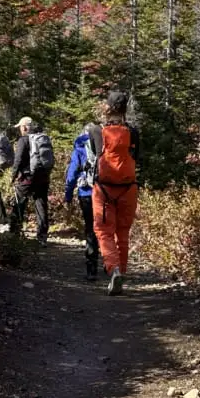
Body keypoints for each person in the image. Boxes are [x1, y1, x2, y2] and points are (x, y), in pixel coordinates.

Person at [92, 92, 139, 296]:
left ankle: (114, 269)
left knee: (104, 231)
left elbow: (95, 155)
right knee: (123, 232)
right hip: (129, 188)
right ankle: (122, 272)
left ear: (107, 108)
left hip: (104, 189)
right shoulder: (133, 132)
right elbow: (137, 156)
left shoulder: (97, 131)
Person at [9, 116, 55, 245]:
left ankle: (14, 233)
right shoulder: (43, 138)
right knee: (41, 204)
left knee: (19, 202)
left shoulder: (24, 140)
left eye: (20, 127)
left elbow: (17, 160)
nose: (20, 130)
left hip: (28, 177)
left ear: (24, 127)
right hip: (43, 176)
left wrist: (13, 177)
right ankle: (42, 236)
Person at [64, 125, 101, 280]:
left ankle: (91, 268)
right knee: (104, 227)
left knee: (90, 228)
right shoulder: (102, 145)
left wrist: (68, 195)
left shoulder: (79, 147)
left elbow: (72, 174)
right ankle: (110, 264)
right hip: (103, 192)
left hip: (85, 192)